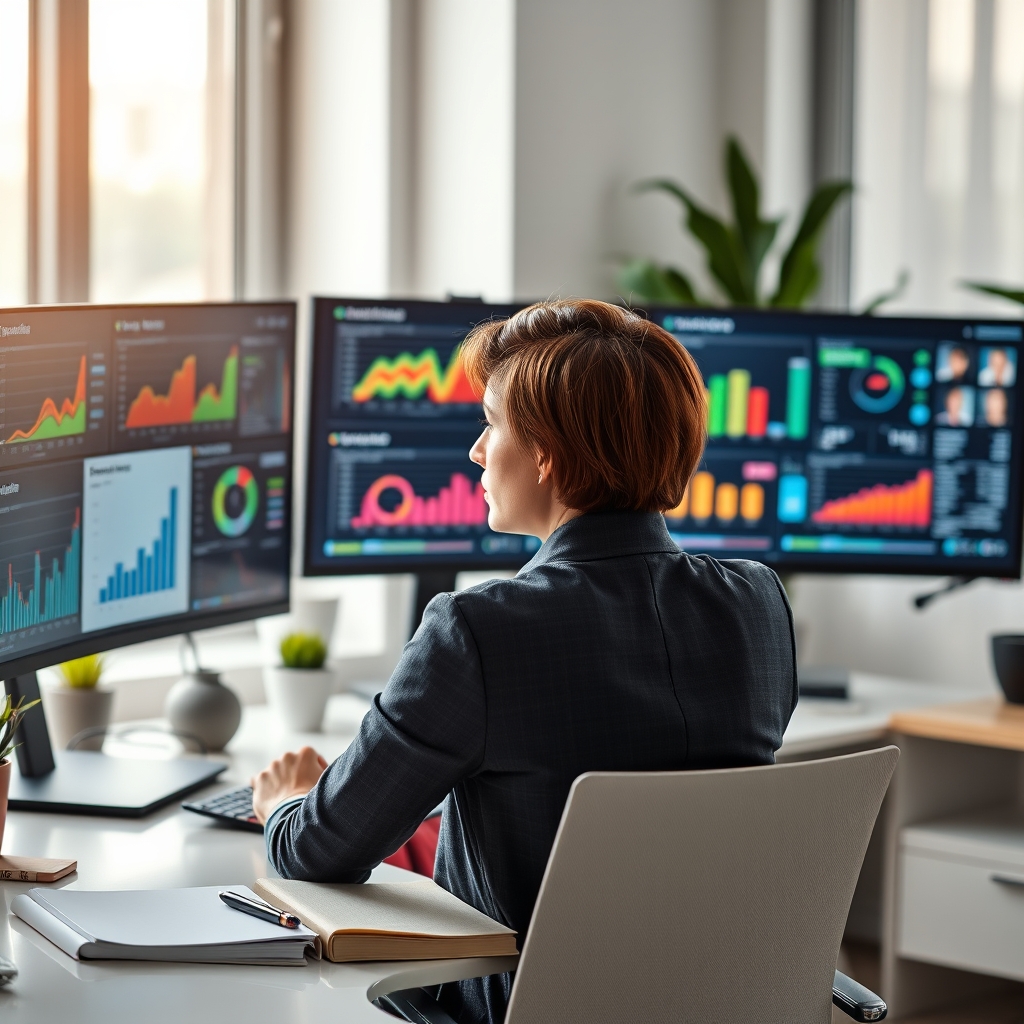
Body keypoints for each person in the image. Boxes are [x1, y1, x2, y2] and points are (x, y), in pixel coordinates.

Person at [252, 300, 797, 1024]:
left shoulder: (478, 629)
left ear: (547, 454)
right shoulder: (758, 602)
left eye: (491, 423)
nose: (477, 451)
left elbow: (317, 853)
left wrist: (286, 803)